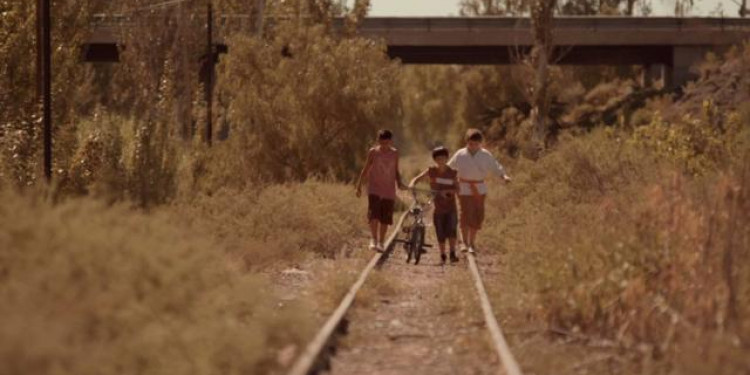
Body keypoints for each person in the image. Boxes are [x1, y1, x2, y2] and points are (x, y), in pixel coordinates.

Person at [448, 129, 511, 253]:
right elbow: (450, 168)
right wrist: (446, 180)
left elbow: (496, 166)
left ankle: (472, 242)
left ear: (480, 143)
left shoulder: (485, 154)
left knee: (478, 215)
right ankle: (464, 243)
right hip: (464, 188)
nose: (473, 146)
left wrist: (504, 176)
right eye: (471, 143)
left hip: (479, 189)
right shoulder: (460, 154)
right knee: (465, 214)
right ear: (467, 142)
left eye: (476, 144)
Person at [355, 129, 407, 252]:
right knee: (374, 215)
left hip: (389, 190)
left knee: (385, 218)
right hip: (374, 188)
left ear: (390, 141)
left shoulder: (395, 153)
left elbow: (395, 170)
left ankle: (382, 242)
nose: (384, 145)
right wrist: (358, 186)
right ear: (378, 141)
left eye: (386, 143)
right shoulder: (373, 152)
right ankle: (373, 240)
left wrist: (399, 182)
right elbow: (366, 169)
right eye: (381, 142)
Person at [409, 146, 460, 265]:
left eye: (443, 158)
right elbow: (417, 178)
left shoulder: (452, 173)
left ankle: (452, 253)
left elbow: (458, 189)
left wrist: (447, 192)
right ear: (435, 159)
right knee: (440, 231)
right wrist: (412, 184)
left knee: (452, 230)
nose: (440, 160)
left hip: (451, 207)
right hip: (438, 208)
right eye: (438, 158)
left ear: (447, 158)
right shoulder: (431, 171)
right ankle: (443, 255)